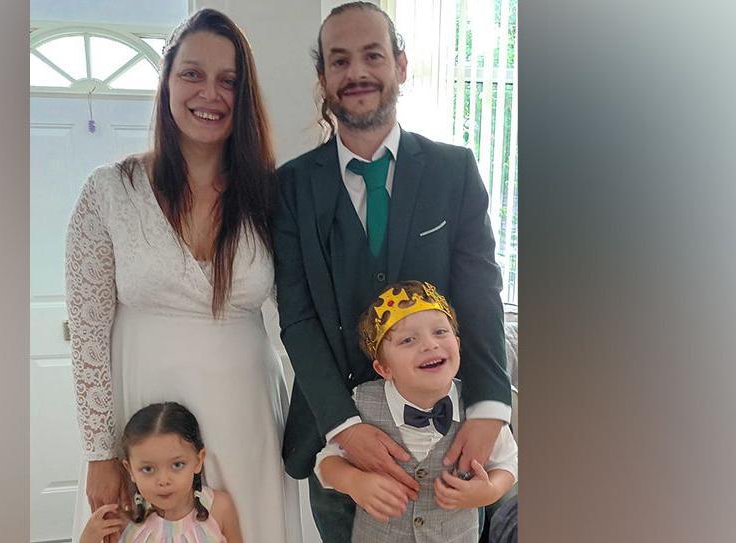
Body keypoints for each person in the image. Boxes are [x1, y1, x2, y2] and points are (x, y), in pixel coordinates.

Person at [273, 2, 512, 540]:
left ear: (400, 65)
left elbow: (480, 295)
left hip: (445, 436)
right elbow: (298, 318)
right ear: (323, 78)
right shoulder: (289, 188)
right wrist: (345, 425)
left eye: (372, 55)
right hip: (339, 447)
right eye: (339, 61)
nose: (356, 72)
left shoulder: (455, 171)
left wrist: (491, 406)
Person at [65, 8, 300, 543]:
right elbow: (86, 332)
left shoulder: (271, 196)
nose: (209, 93)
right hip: (142, 411)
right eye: (192, 74)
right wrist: (101, 452)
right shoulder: (109, 191)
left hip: (245, 416)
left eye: (228, 81)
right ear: (167, 81)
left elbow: (295, 322)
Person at [315, 281, 517, 542]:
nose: (429, 345)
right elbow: (326, 463)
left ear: (457, 343)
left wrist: (488, 492)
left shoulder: (478, 409)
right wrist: (354, 482)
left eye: (440, 332)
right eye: (408, 339)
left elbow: (508, 463)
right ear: (383, 368)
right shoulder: (361, 404)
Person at [80, 402, 244, 543]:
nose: (163, 480)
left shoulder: (219, 508)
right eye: (148, 469)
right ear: (130, 469)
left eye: (177, 465)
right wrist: (88, 539)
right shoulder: (124, 518)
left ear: (198, 461)